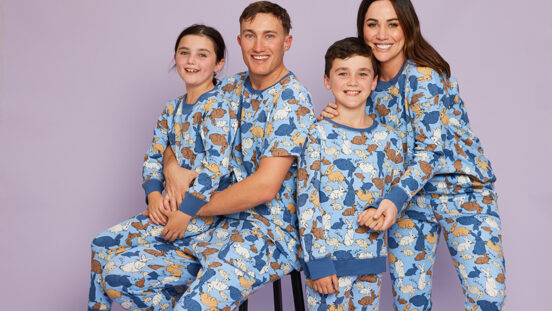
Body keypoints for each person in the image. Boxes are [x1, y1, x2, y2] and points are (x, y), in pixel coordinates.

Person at [321, 0, 506, 310]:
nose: (382, 34)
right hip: (410, 199)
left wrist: (392, 199)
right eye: (372, 24)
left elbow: (430, 151)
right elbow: (370, 146)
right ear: (362, 29)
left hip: (461, 191)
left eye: (392, 24)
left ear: (408, 27)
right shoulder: (367, 83)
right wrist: (340, 118)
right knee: (409, 302)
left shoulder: (424, 76)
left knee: (487, 300)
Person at [160, 2, 315, 310]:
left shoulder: (292, 100)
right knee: (120, 269)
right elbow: (178, 133)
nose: (258, 46)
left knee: (193, 304)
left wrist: (190, 209)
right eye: (250, 35)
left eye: (269, 36)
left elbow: (264, 187)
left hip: (268, 232)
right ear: (239, 40)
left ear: (287, 42)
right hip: (216, 222)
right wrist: (171, 167)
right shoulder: (227, 87)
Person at [88, 24, 240, 310]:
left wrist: (185, 213)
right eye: (185, 53)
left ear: (219, 63)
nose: (192, 61)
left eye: (202, 54)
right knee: (102, 243)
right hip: (166, 210)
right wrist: (154, 195)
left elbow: (215, 170)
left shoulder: (220, 107)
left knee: (120, 272)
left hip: (200, 219)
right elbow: (154, 157)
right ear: (175, 57)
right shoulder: (171, 109)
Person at [298, 37, 404, 310]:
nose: (352, 82)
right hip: (327, 266)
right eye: (343, 74)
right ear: (327, 81)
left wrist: (378, 211)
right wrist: (318, 263)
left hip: (370, 263)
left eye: (362, 74)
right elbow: (306, 203)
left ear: (374, 81)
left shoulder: (389, 139)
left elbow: (393, 195)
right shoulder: (317, 134)